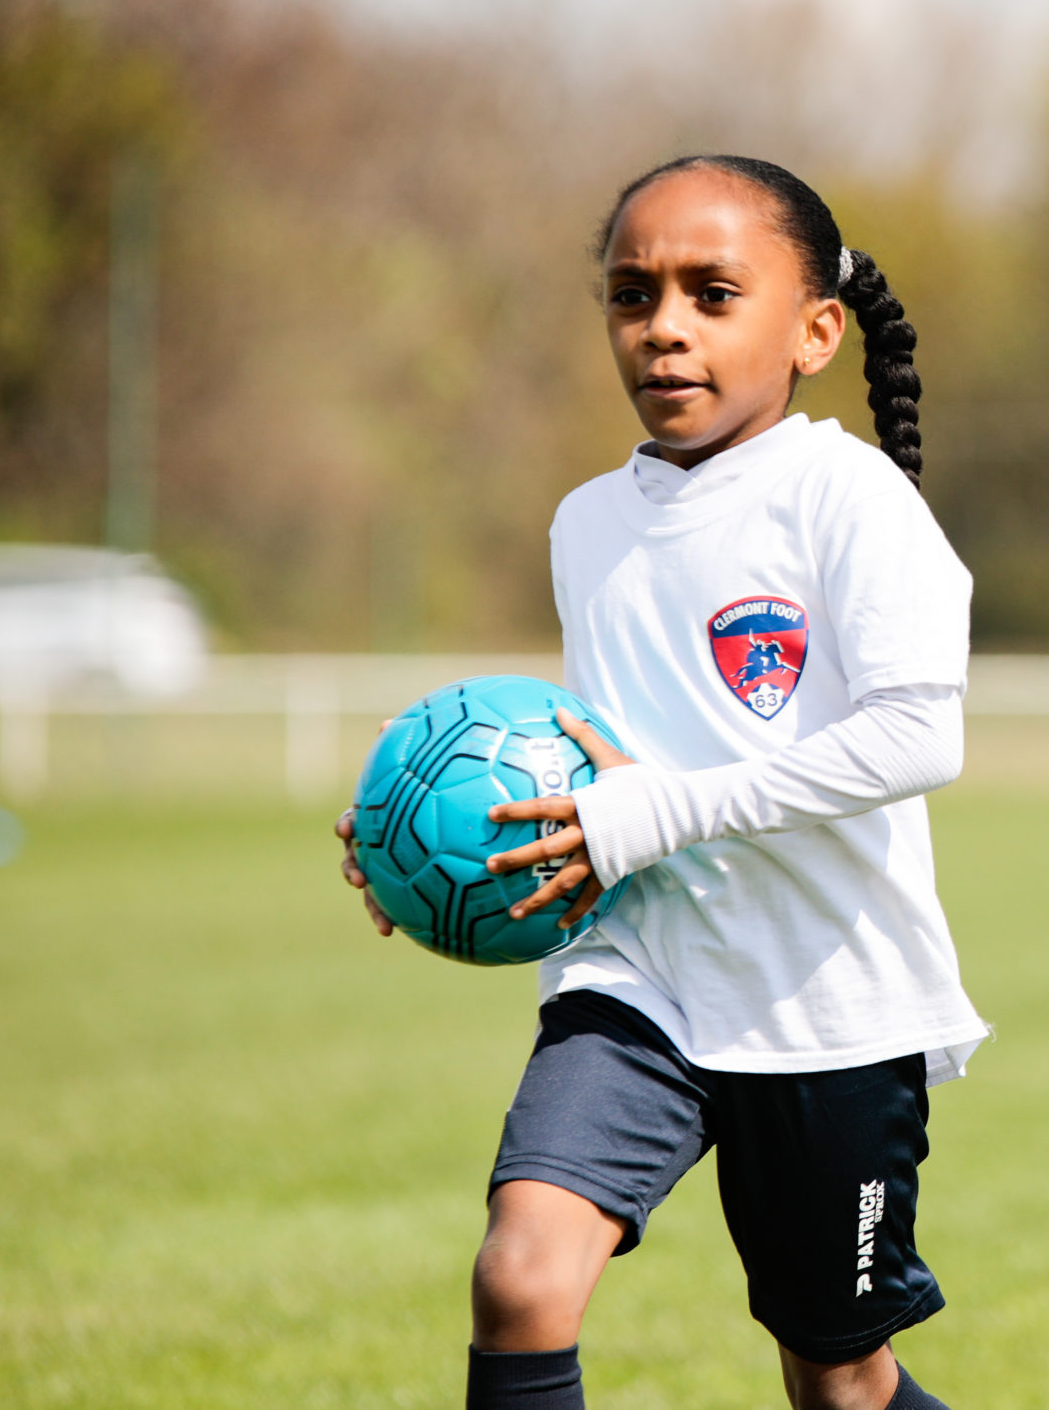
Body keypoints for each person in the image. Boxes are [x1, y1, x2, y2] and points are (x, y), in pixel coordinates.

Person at [337, 155, 984, 1410]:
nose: (665, 326)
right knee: (521, 1282)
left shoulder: (847, 497)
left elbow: (919, 738)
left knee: (838, 1379)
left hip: (822, 999)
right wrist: (420, 828)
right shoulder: (585, 521)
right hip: (636, 977)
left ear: (813, 331)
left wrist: (662, 812)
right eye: (633, 295)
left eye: (711, 292)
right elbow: (596, 746)